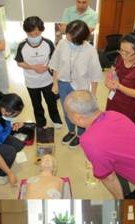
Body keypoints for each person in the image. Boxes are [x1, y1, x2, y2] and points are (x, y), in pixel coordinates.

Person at [64, 90, 135, 199]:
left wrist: (119, 201)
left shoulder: (90, 141)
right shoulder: (113, 114)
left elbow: (108, 178)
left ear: (78, 117)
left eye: (68, 114)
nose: (67, 116)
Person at [50, 20, 103, 149]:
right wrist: (55, 83)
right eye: (68, 33)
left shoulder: (90, 50)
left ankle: (80, 134)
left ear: (80, 38)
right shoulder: (62, 44)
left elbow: (95, 74)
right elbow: (55, 64)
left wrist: (93, 94)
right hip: (63, 84)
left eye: (70, 36)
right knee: (67, 111)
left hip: (80, 87)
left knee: (81, 113)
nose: (67, 37)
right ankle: (71, 131)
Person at [15, 16, 62, 129]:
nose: (34, 36)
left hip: (47, 80)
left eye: (37, 33)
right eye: (31, 34)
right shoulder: (22, 45)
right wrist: (33, 67)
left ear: (41, 30)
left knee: (51, 102)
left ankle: (56, 119)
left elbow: (54, 60)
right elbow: (19, 62)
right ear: (26, 32)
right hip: (31, 82)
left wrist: (47, 67)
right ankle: (41, 122)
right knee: (36, 104)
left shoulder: (48, 43)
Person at [104, 33, 135, 123]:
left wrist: (119, 86)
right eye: (121, 50)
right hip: (113, 101)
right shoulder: (119, 58)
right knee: (110, 123)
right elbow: (111, 72)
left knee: (123, 127)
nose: (123, 54)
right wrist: (108, 81)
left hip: (128, 107)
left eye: (127, 52)